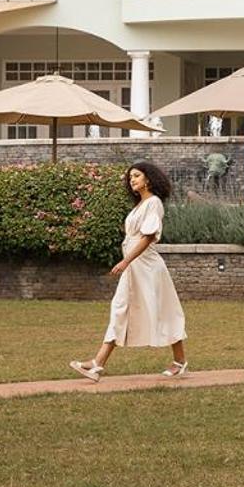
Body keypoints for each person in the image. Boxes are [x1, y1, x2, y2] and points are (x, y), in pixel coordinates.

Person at [71, 162, 188, 380]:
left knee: (164, 311)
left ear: (148, 179)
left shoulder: (153, 203)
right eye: (130, 177)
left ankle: (179, 361)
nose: (131, 179)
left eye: (136, 175)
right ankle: (98, 363)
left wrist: (126, 261)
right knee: (120, 308)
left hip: (148, 267)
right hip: (135, 266)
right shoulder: (140, 206)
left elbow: (148, 237)